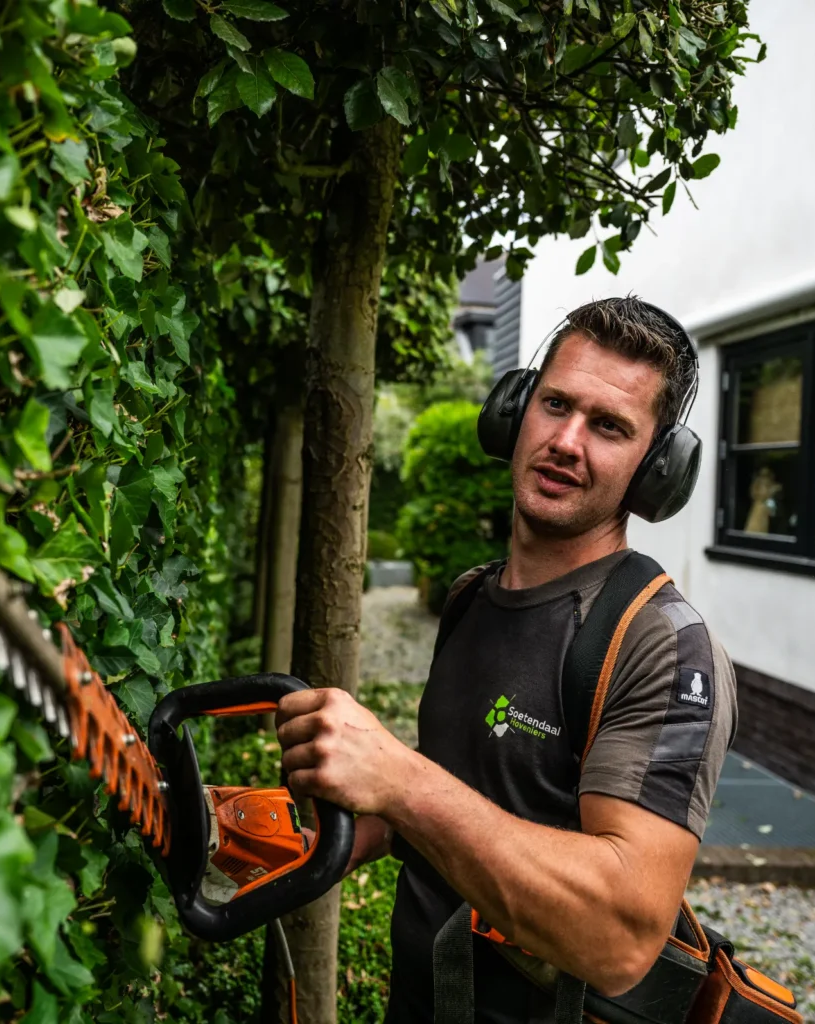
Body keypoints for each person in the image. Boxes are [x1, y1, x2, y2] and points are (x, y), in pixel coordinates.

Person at [275, 297, 737, 1022]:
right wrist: (331, 836)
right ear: (514, 410)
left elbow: (620, 937)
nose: (567, 442)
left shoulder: (662, 645)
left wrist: (400, 780)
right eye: (556, 404)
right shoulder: (472, 598)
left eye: (609, 426)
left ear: (657, 471)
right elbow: (470, 796)